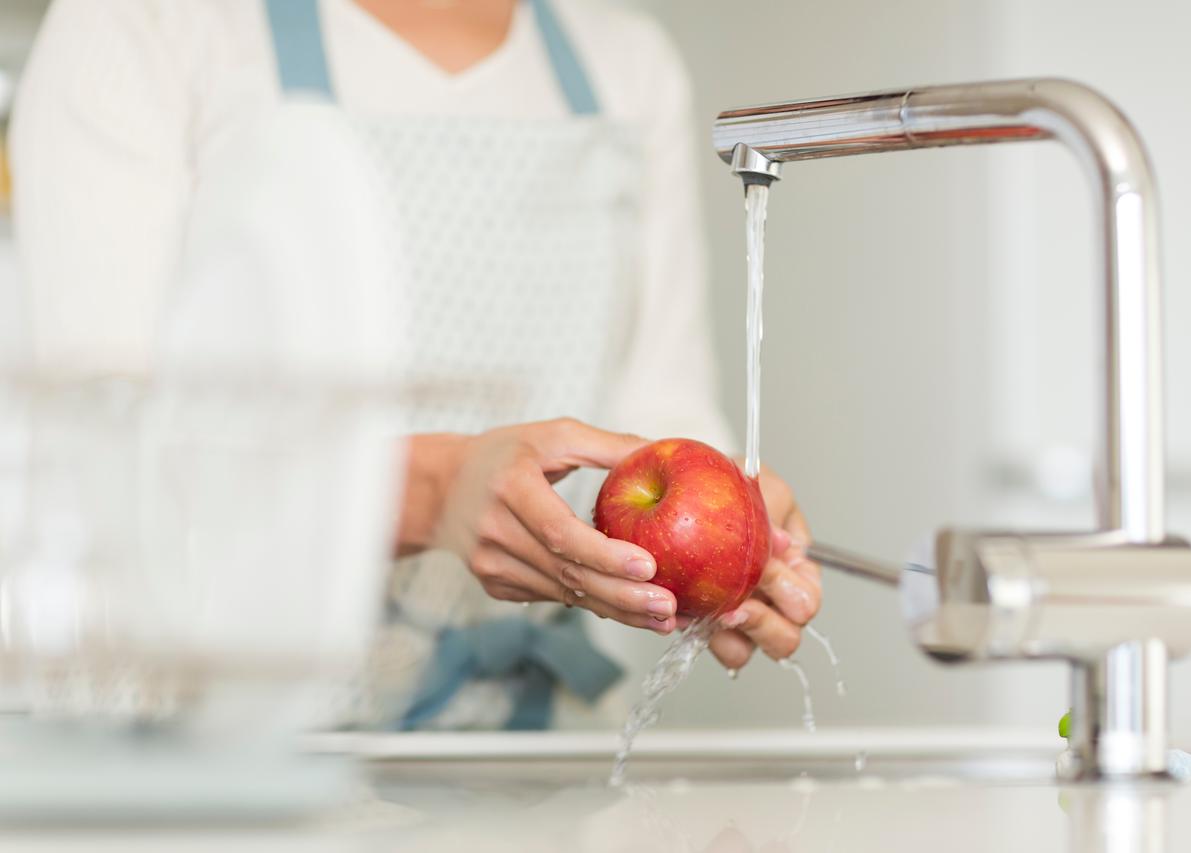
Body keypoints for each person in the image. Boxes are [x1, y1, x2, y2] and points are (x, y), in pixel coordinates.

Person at [11, 0, 822, 729]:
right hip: (221, 743)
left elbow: (661, 412)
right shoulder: (145, 24)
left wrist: (728, 527)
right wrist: (433, 491)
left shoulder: (627, 63)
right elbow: (100, 465)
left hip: (535, 744)